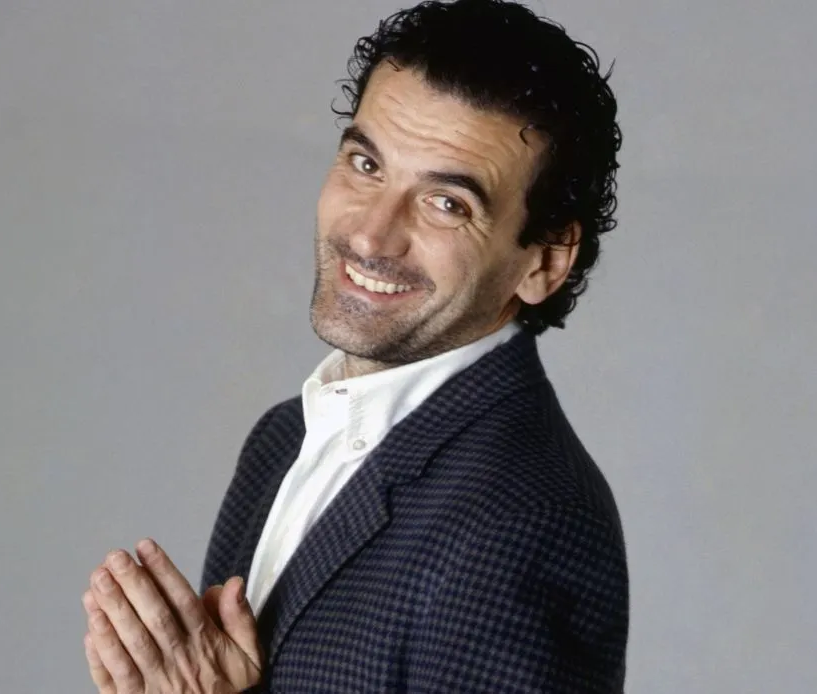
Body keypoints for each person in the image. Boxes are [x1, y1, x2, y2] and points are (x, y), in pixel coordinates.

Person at [79, 0, 628, 690]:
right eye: (366, 164)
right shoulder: (282, 440)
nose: (370, 234)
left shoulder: (526, 518)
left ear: (544, 261)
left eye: (446, 203)